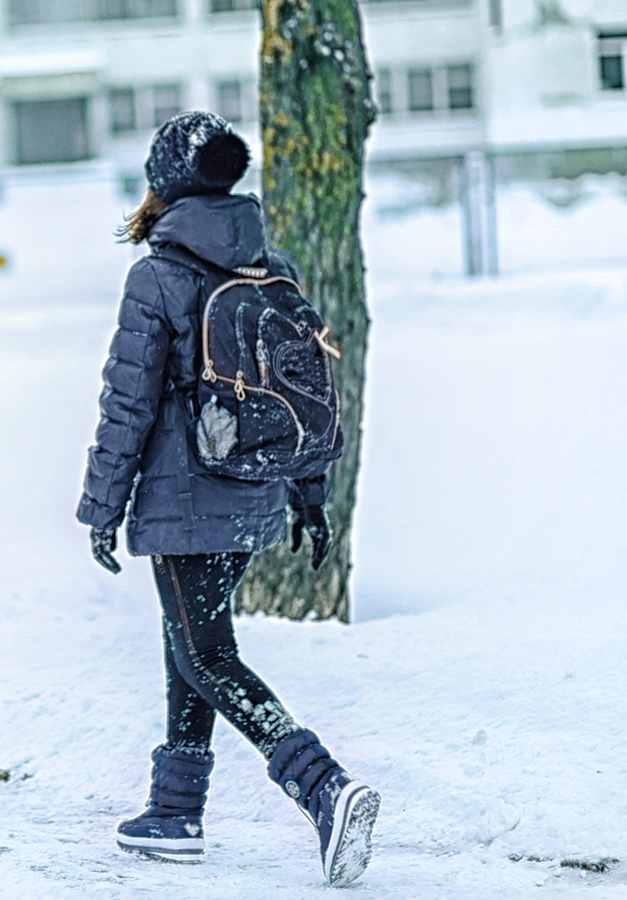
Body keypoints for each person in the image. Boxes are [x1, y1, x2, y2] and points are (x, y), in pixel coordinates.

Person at [76, 110, 379, 888]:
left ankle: (323, 786)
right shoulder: (268, 265)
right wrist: (309, 491)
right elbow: (306, 393)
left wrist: (101, 506)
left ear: (166, 185)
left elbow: (127, 406)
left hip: (184, 502)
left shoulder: (158, 275)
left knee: (207, 653)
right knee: (193, 646)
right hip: (257, 495)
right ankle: (175, 812)